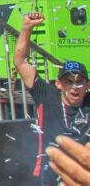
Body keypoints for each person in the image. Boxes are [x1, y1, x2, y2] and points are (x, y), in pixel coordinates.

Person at [14, 11, 90, 184]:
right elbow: (20, 62)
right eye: (68, 82)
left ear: (88, 85)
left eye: (79, 82)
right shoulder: (47, 96)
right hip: (51, 176)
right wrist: (26, 28)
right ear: (59, 84)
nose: (74, 87)